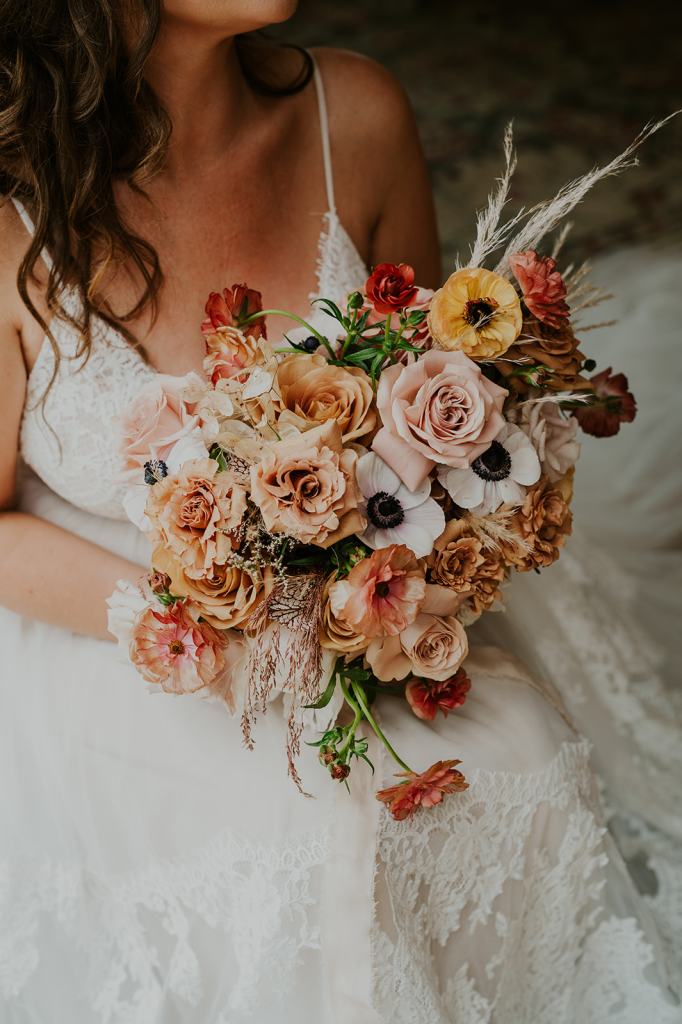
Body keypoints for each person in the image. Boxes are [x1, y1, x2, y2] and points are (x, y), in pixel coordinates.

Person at [0, 3, 679, 1021]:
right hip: (109, 615)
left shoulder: (352, 115)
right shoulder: (12, 205)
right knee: (301, 826)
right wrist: (205, 628)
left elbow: (442, 384)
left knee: (523, 753)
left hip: (369, 592)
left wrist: (414, 575)